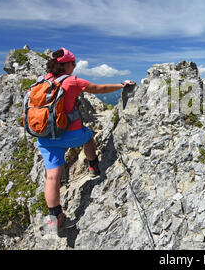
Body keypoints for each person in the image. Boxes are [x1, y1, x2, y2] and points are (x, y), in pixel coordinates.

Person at [36, 47, 135, 231]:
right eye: (73, 63)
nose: (74, 67)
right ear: (67, 65)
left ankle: (55, 217)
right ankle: (93, 166)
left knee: (51, 177)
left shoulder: (40, 81)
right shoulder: (71, 81)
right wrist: (122, 85)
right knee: (88, 137)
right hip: (70, 134)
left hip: (44, 136)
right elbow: (100, 88)